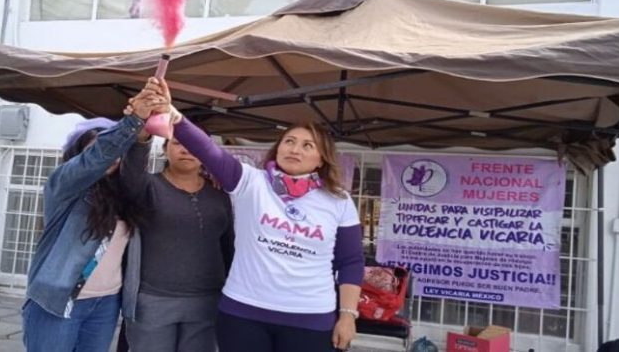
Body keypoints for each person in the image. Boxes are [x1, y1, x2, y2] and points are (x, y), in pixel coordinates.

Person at [126, 78, 365, 352]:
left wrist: (347, 315)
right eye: (289, 141)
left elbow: (351, 261)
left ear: (322, 159)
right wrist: (173, 114)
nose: (295, 149)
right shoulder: (252, 182)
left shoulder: (338, 200)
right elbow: (209, 151)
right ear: (278, 148)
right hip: (244, 314)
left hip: (311, 318)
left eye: (307, 145)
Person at [22, 88, 166, 352]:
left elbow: (135, 167)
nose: (110, 158)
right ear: (80, 154)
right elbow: (97, 158)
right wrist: (133, 120)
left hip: (106, 303)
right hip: (59, 299)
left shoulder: (122, 194)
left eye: (116, 152)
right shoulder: (64, 187)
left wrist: (142, 134)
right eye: (96, 150)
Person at [118, 127, 235, 352]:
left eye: (195, 145)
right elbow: (130, 173)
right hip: (153, 300)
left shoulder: (219, 195)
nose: (186, 150)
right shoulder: (148, 186)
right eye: (178, 143)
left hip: (207, 300)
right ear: (165, 149)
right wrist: (142, 139)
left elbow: (227, 246)